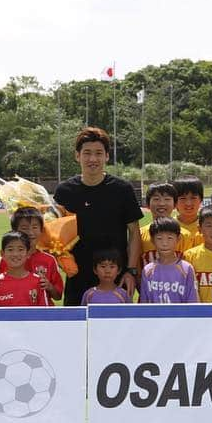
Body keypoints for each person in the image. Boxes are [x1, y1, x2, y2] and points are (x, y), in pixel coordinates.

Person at [53, 127, 143, 305]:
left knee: (116, 330)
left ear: (107, 156)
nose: (92, 159)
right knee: (77, 330)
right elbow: (55, 237)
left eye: (98, 153)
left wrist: (131, 271)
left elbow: (134, 232)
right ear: (77, 156)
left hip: (114, 277)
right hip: (77, 277)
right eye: (87, 153)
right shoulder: (65, 191)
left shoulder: (122, 189)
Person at [0, 207, 63, 302]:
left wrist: (49, 286)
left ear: (41, 230)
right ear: (14, 231)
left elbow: (58, 296)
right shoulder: (6, 259)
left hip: (42, 313)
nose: (30, 232)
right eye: (24, 228)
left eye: (35, 227)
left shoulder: (49, 260)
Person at [139, 218, 198, 304]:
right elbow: (144, 303)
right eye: (159, 238)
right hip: (155, 316)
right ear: (152, 240)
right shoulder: (147, 270)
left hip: (180, 317)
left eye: (170, 238)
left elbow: (193, 302)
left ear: (178, 239)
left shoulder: (186, 269)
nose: (165, 243)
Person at [0, 231, 51, 307]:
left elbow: (44, 313)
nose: (15, 254)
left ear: (28, 254)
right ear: (2, 254)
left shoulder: (37, 282)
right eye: (10, 250)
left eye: (20, 249)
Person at [139, 182, 194, 265]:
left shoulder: (185, 235)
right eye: (156, 199)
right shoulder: (140, 234)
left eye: (167, 199)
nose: (161, 203)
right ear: (147, 204)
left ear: (175, 204)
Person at [173, 177, 205, 247]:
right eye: (182, 198)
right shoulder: (169, 226)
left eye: (193, 198)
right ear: (175, 201)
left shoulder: (208, 226)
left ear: (201, 199)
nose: (188, 203)